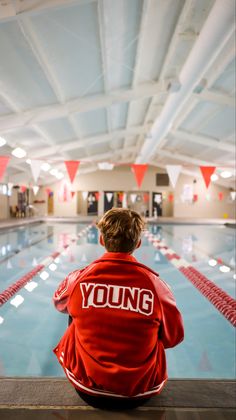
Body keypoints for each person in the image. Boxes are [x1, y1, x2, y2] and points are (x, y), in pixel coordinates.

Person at [52, 208, 184, 410]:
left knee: (72, 313)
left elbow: (58, 303)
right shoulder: (157, 286)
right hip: (141, 392)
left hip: (87, 390)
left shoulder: (79, 279)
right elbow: (173, 337)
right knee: (157, 326)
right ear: (138, 243)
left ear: (102, 241)